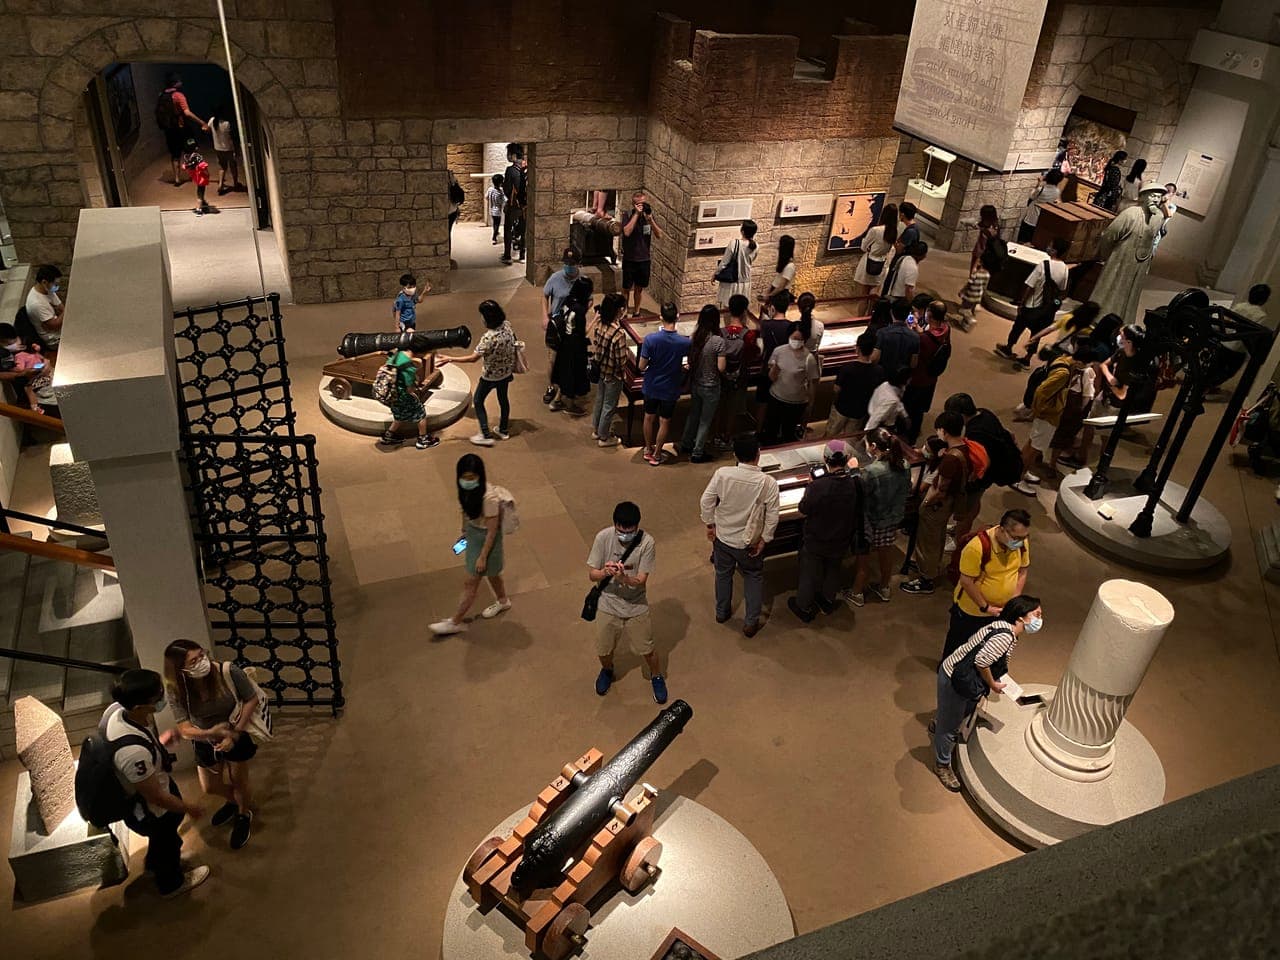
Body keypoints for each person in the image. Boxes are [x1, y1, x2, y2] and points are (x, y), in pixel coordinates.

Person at [100, 668, 209, 896]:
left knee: (161, 842)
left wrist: (159, 743)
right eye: (157, 696)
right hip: (153, 810)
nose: (162, 698)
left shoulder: (117, 713)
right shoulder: (132, 753)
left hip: (151, 793)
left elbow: (141, 755)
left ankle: (154, 865)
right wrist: (189, 807)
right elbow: (156, 797)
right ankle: (172, 884)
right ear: (140, 706)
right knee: (167, 840)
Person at [931, 595, 1043, 791]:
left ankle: (942, 722)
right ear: (1020, 617)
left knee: (960, 711)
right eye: (1036, 614)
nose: (1039, 619)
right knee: (950, 726)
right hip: (954, 678)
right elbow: (982, 661)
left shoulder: (1001, 626)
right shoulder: (1005, 636)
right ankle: (942, 764)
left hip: (957, 672)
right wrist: (992, 683)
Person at [162, 639, 261, 850]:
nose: (201, 662)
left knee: (238, 779)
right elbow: (185, 728)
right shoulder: (177, 690)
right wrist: (210, 733)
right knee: (209, 786)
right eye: (193, 661)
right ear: (180, 669)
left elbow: (252, 699)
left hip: (236, 730)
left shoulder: (227, 671)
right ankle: (235, 802)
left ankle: (243, 813)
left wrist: (232, 734)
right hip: (205, 739)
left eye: (201, 655)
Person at [700, 433, 781, 637]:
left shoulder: (722, 474)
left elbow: (706, 501)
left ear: (735, 455)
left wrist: (710, 524)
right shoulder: (768, 483)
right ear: (758, 455)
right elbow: (772, 516)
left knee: (722, 574)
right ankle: (750, 622)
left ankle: (722, 612)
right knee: (753, 576)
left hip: (723, 537)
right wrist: (765, 539)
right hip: (749, 542)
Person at [587, 501, 666, 703]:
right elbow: (592, 575)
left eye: (630, 531)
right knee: (603, 649)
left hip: (635, 604)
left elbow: (641, 581)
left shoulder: (647, 543)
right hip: (607, 602)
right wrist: (605, 571)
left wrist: (624, 578)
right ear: (615, 525)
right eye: (621, 530)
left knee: (647, 649)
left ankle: (656, 676)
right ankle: (607, 670)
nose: (625, 534)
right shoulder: (603, 537)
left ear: (637, 527)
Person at [430, 455, 512, 636]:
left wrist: (482, 556)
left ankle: (455, 621)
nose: (467, 482)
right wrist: (464, 532)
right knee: (493, 575)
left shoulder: (489, 499)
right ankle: (503, 600)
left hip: (486, 542)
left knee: (471, 582)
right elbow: (466, 513)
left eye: (471, 478)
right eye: (464, 477)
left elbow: (491, 531)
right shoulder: (468, 492)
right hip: (474, 535)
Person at [788, 440, 862, 621]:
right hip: (842, 536)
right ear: (847, 458)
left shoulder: (818, 486)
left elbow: (804, 508)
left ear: (825, 458)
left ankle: (803, 607)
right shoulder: (854, 483)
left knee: (809, 573)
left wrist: (810, 486)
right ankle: (828, 600)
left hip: (817, 538)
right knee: (833, 569)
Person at [943, 509, 1031, 659]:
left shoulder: (1021, 544)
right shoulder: (977, 547)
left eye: (1025, 537)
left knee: (984, 648)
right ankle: (947, 676)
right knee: (957, 646)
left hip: (1001, 611)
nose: (1021, 541)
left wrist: (1014, 601)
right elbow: (967, 581)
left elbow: (1022, 570)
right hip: (972, 611)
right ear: (1002, 530)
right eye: (1016, 537)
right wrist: (986, 607)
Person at [901, 411, 971, 596]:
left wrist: (924, 503)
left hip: (937, 506)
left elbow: (941, 490)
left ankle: (926, 579)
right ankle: (928, 569)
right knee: (935, 539)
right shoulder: (963, 449)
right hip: (947, 505)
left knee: (928, 541)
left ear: (944, 431)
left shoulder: (950, 459)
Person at [843, 428, 912, 606]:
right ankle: (884, 588)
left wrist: (854, 470)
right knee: (886, 552)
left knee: (863, 557)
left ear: (873, 446)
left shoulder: (872, 471)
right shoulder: (904, 464)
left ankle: (857, 592)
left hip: (871, 520)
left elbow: (859, 490)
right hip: (893, 518)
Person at [438, 299, 517, 445]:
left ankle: (485, 434)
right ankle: (503, 430)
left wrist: (450, 358)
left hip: (490, 376)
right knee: (503, 399)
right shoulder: (507, 326)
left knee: (478, 400)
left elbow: (473, 358)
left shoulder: (488, 338)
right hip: (505, 373)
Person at [944, 393, 1022, 539]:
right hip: (991, 472)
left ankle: (960, 540)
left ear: (961, 414)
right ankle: (959, 531)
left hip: (982, 476)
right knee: (973, 504)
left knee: (966, 510)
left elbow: (979, 461)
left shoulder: (977, 433)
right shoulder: (984, 413)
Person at [1091, 183, 1169, 326]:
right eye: (1152, 195)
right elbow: (1109, 236)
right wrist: (1109, 255)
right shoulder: (1131, 213)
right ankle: (1099, 318)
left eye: (1159, 197)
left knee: (1129, 293)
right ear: (1144, 196)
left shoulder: (1158, 217)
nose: (1156, 200)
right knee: (1110, 287)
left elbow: (1151, 234)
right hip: (1120, 259)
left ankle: (1122, 321)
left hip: (1138, 264)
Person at [996, 237, 1069, 359]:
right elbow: (1062, 289)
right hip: (1046, 309)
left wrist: (1021, 303)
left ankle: (1008, 348)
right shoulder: (1065, 269)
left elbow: (1029, 286)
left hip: (1032, 305)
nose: (1048, 246)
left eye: (1050, 245)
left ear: (1055, 250)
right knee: (1036, 333)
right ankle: (1027, 358)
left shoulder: (1043, 265)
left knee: (1018, 327)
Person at [1014, 350, 1075, 495]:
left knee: (1032, 443)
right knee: (1035, 448)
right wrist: (1038, 411)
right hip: (1048, 415)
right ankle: (1018, 478)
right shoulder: (1064, 373)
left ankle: (1021, 472)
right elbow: (1042, 391)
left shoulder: (1061, 360)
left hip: (1045, 414)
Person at [638, 303, 692, 465]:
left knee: (648, 417)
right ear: (677, 317)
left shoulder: (650, 340)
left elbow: (641, 366)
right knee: (664, 421)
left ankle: (647, 448)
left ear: (660, 317)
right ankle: (657, 454)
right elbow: (689, 362)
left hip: (652, 384)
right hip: (670, 386)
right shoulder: (684, 342)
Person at [679, 304, 727, 462]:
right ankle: (698, 452)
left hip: (696, 383)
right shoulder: (718, 341)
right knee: (705, 420)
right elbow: (721, 368)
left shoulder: (695, 337)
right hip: (711, 386)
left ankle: (686, 443)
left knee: (693, 415)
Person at [377, 332, 441, 449]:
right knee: (420, 413)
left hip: (389, 393)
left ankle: (388, 435)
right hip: (401, 395)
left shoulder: (398, 353)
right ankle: (423, 439)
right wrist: (414, 392)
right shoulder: (409, 367)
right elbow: (410, 388)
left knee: (400, 414)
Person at [762, 322, 819, 446]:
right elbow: (771, 377)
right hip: (776, 398)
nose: (796, 341)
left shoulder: (809, 358)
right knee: (771, 431)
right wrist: (774, 368)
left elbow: (812, 382)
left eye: (799, 339)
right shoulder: (779, 351)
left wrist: (810, 404)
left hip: (796, 403)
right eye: (794, 338)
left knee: (788, 434)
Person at [714, 295, 760, 447]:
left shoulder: (720, 332)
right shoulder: (749, 335)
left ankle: (716, 434)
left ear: (729, 310)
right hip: (739, 376)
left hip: (721, 375)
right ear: (744, 312)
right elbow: (753, 354)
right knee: (733, 407)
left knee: (720, 404)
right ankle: (728, 436)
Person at [903, 301, 950, 443]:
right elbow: (931, 336)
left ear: (929, 314)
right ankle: (914, 432)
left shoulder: (922, 340)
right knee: (920, 410)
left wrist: (911, 331)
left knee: (910, 409)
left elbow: (914, 359)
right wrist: (918, 329)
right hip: (932, 378)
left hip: (917, 379)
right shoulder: (946, 329)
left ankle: (908, 437)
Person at [589, 292, 632, 447]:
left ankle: (596, 429)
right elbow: (621, 360)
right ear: (619, 310)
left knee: (600, 400)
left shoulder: (600, 325)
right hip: (613, 375)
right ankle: (604, 436)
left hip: (601, 370)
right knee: (609, 405)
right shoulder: (618, 334)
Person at [541, 247, 582, 405]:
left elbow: (589, 300)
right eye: (566, 263)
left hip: (573, 325)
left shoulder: (582, 282)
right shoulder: (555, 278)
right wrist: (545, 315)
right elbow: (545, 296)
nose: (569, 266)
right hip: (556, 324)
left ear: (578, 264)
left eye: (572, 264)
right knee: (552, 359)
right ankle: (551, 386)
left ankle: (563, 390)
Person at [549, 277, 594, 416]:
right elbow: (583, 333)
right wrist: (595, 320)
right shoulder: (580, 311)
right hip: (575, 346)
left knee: (564, 371)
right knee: (573, 373)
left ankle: (556, 400)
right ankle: (570, 405)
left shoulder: (568, 301)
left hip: (564, 342)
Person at [827, 331, 884, 437]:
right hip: (859, 411)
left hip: (841, 408)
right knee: (849, 441)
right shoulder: (878, 371)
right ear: (872, 350)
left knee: (830, 436)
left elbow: (836, 389)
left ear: (857, 349)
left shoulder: (847, 368)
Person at [156, 72, 208, 186]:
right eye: (179, 80)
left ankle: (177, 178)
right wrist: (201, 122)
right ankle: (196, 175)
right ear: (175, 83)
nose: (182, 82)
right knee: (191, 151)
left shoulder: (161, 95)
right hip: (182, 128)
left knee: (175, 154)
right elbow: (187, 113)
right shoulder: (178, 95)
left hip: (169, 130)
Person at [753, 290, 793, 431]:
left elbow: (760, 325)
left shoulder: (766, 325)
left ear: (773, 307)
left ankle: (759, 430)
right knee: (778, 401)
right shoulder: (791, 326)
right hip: (784, 368)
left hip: (767, 367)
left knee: (762, 402)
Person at [621, 190, 662, 318]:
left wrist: (651, 221)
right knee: (626, 288)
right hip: (630, 258)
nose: (642, 206)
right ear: (634, 205)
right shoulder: (627, 215)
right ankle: (624, 310)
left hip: (644, 259)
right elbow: (627, 232)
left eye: (644, 203)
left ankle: (637, 311)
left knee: (639, 288)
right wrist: (636, 215)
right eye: (639, 204)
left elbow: (659, 235)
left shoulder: (648, 216)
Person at [853, 203, 897, 314]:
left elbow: (863, 247)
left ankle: (860, 318)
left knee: (864, 295)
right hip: (882, 264)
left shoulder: (876, 230)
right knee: (873, 293)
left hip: (870, 262)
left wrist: (869, 248)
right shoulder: (893, 231)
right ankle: (869, 317)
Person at [0, 324, 55, 412]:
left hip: (42, 373)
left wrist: (45, 362)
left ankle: (36, 407)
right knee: (30, 389)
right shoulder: (9, 357)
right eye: (10, 344)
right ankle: (36, 408)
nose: (16, 344)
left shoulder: (22, 348)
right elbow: (19, 371)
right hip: (32, 380)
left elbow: (38, 357)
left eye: (16, 340)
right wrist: (27, 371)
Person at [956, 244, 1001, 333]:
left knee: (964, 309)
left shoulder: (976, 274)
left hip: (969, 295)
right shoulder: (987, 275)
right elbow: (984, 287)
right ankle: (965, 323)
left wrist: (962, 291)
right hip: (977, 297)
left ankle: (970, 320)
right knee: (971, 310)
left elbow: (969, 284)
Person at [871, 298, 919, 377]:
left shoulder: (882, 333)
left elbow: (875, 358)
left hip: (883, 376)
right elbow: (913, 364)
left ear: (891, 312)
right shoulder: (915, 337)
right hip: (901, 378)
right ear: (908, 314)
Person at [716, 219, 758, 307]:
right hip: (746, 281)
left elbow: (724, 262)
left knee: (729, 308)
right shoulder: (756, 246)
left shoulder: (734, 243)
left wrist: (715, 274)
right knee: (741, 309)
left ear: (742, 231)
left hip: (733, 281)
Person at [1016, 170, 1064, 244]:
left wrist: (1038, 183)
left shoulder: (1041, 189)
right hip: (1041, 218)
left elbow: (1032, 196)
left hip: (1031, 217)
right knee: (1032, 240)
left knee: (1023, 239)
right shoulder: (1057, 192)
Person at [24, 264, 64, 349]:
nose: (57, 287)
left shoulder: (47, 290)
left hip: (58, 328)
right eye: (55, 284)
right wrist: (67, 312)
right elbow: (54, 325)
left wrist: (64, 312)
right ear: (44, 282)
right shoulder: (37, 303)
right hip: (54, 339)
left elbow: (61, 307)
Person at [208, 104, 244, 195]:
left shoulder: (212, 121)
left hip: (218, 148)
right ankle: (235, 183)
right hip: (228, 148)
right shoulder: (227, 123)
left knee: (222, 167)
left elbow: (207, 129)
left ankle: (220, 184)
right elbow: (231, 137)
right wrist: (236, 149)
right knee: (233, 166)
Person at [865, 365, 911, 434]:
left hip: (881, 418)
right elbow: (876, 419)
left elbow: (898, 401)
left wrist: (905, 415)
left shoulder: (886, 384)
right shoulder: (891, 399)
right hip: (883, 425)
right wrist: (866, 435)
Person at [501, 143, 525, 264]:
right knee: (523, 229)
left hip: (514, 205)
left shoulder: (511, 170)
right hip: (525, 206)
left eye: (509, 154)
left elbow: (507, 189)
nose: (508, 156)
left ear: (514, 155)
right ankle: (522, 255)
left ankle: (507, 255)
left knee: (507, 229)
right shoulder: (527, 167)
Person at [762, 235, 797, 308]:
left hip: (780, 296)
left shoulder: (790, 266)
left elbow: (781, 287)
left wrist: (769, 296)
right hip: (775, 293)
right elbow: (777, 281)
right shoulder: (785, 264)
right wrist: (768, 291)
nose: (778, 248)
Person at [182, 139, 212, 215]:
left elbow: (186, 166)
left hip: (194, 175)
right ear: (196, 148)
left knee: (199, 188)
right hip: (201, 175)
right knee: (201, 190)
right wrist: (207, 174)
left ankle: (203, 202)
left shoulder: (186, 156)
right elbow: (203, 166)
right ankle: (199, 207)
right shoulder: (197, 156)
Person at [969, 204, 1001, 274]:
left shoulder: (992, 228)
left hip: (984, 253)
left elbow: (989, 239)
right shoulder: (985, 223)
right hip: (979, 250)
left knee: (976, 272)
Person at [486, 174, 505, 244]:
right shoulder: (500, 192)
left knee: (494, 223)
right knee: (497, 223)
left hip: (491, 209)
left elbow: (486, 197)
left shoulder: (490, 189)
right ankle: (494, 236)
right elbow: (501, 201)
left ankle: (495, 232)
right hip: (497, 210)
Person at [447, 170, 464, 241]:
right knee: (448, 234)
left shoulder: (439, 176)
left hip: (447, 210)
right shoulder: (452, 176)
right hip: (453, 209)